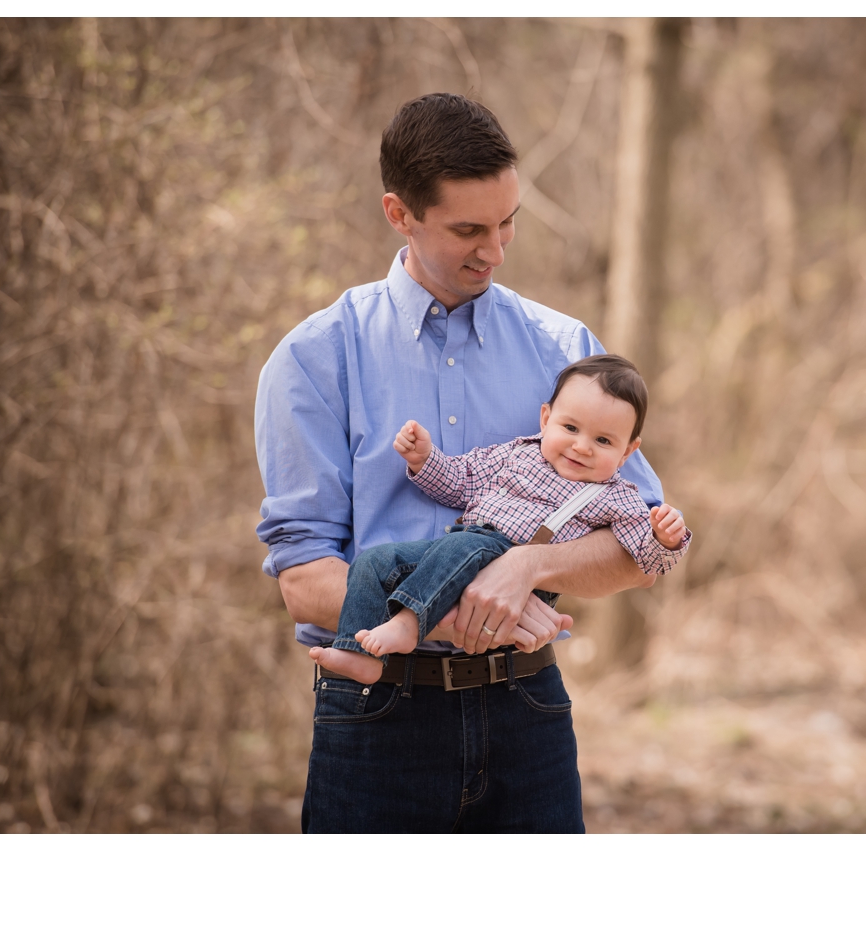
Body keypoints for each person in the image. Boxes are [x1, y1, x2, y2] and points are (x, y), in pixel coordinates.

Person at [255, 92, 673, 833]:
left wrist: (528, 571)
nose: (496, 249)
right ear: (400, 214)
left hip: (529, 710)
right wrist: (453, 611)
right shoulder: (315, 360)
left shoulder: (561, 348)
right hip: (377, 713)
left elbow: (638, 548)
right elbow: (304, 580)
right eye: (468, 229)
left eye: (509, 221)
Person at [319, 355, 692, 685]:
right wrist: (424, 458)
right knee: (374, 561)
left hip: (519, 570)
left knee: (464, 544)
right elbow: (460, 481)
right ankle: (358, 653)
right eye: (571, 429)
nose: (582, 446)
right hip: (462, 545)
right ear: (546, 419)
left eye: (604, 441)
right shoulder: (516, 454)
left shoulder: (616, 494)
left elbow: (644, 560)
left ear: (628, 451)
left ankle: (408, 625)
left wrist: (665, 538)